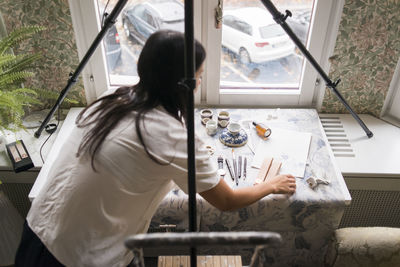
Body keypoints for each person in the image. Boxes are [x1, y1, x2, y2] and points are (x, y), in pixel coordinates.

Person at [15, 30, 296, 267]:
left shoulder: (111, 98)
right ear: (185, 84)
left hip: (39, 228)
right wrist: (270, 185)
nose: (199, 82)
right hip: (79, 256)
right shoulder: (174, 137)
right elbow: (227, 201)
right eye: (198, 76)